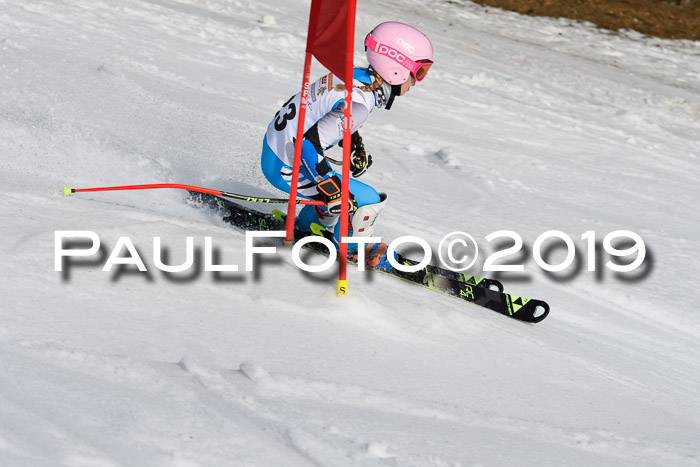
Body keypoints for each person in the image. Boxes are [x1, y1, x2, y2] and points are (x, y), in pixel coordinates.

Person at [260, 21, 433, 267]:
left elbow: (333, 117)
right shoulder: (361, 103)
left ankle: (312, 225)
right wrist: (334, 191)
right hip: (285, 167)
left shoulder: (353, 77)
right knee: (368, 200)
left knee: (342, 188)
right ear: (397, 68)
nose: (417, 82)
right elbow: (308, 145)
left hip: (275, 151)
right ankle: (355, 249)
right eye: (420, 72)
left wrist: (354, 144)